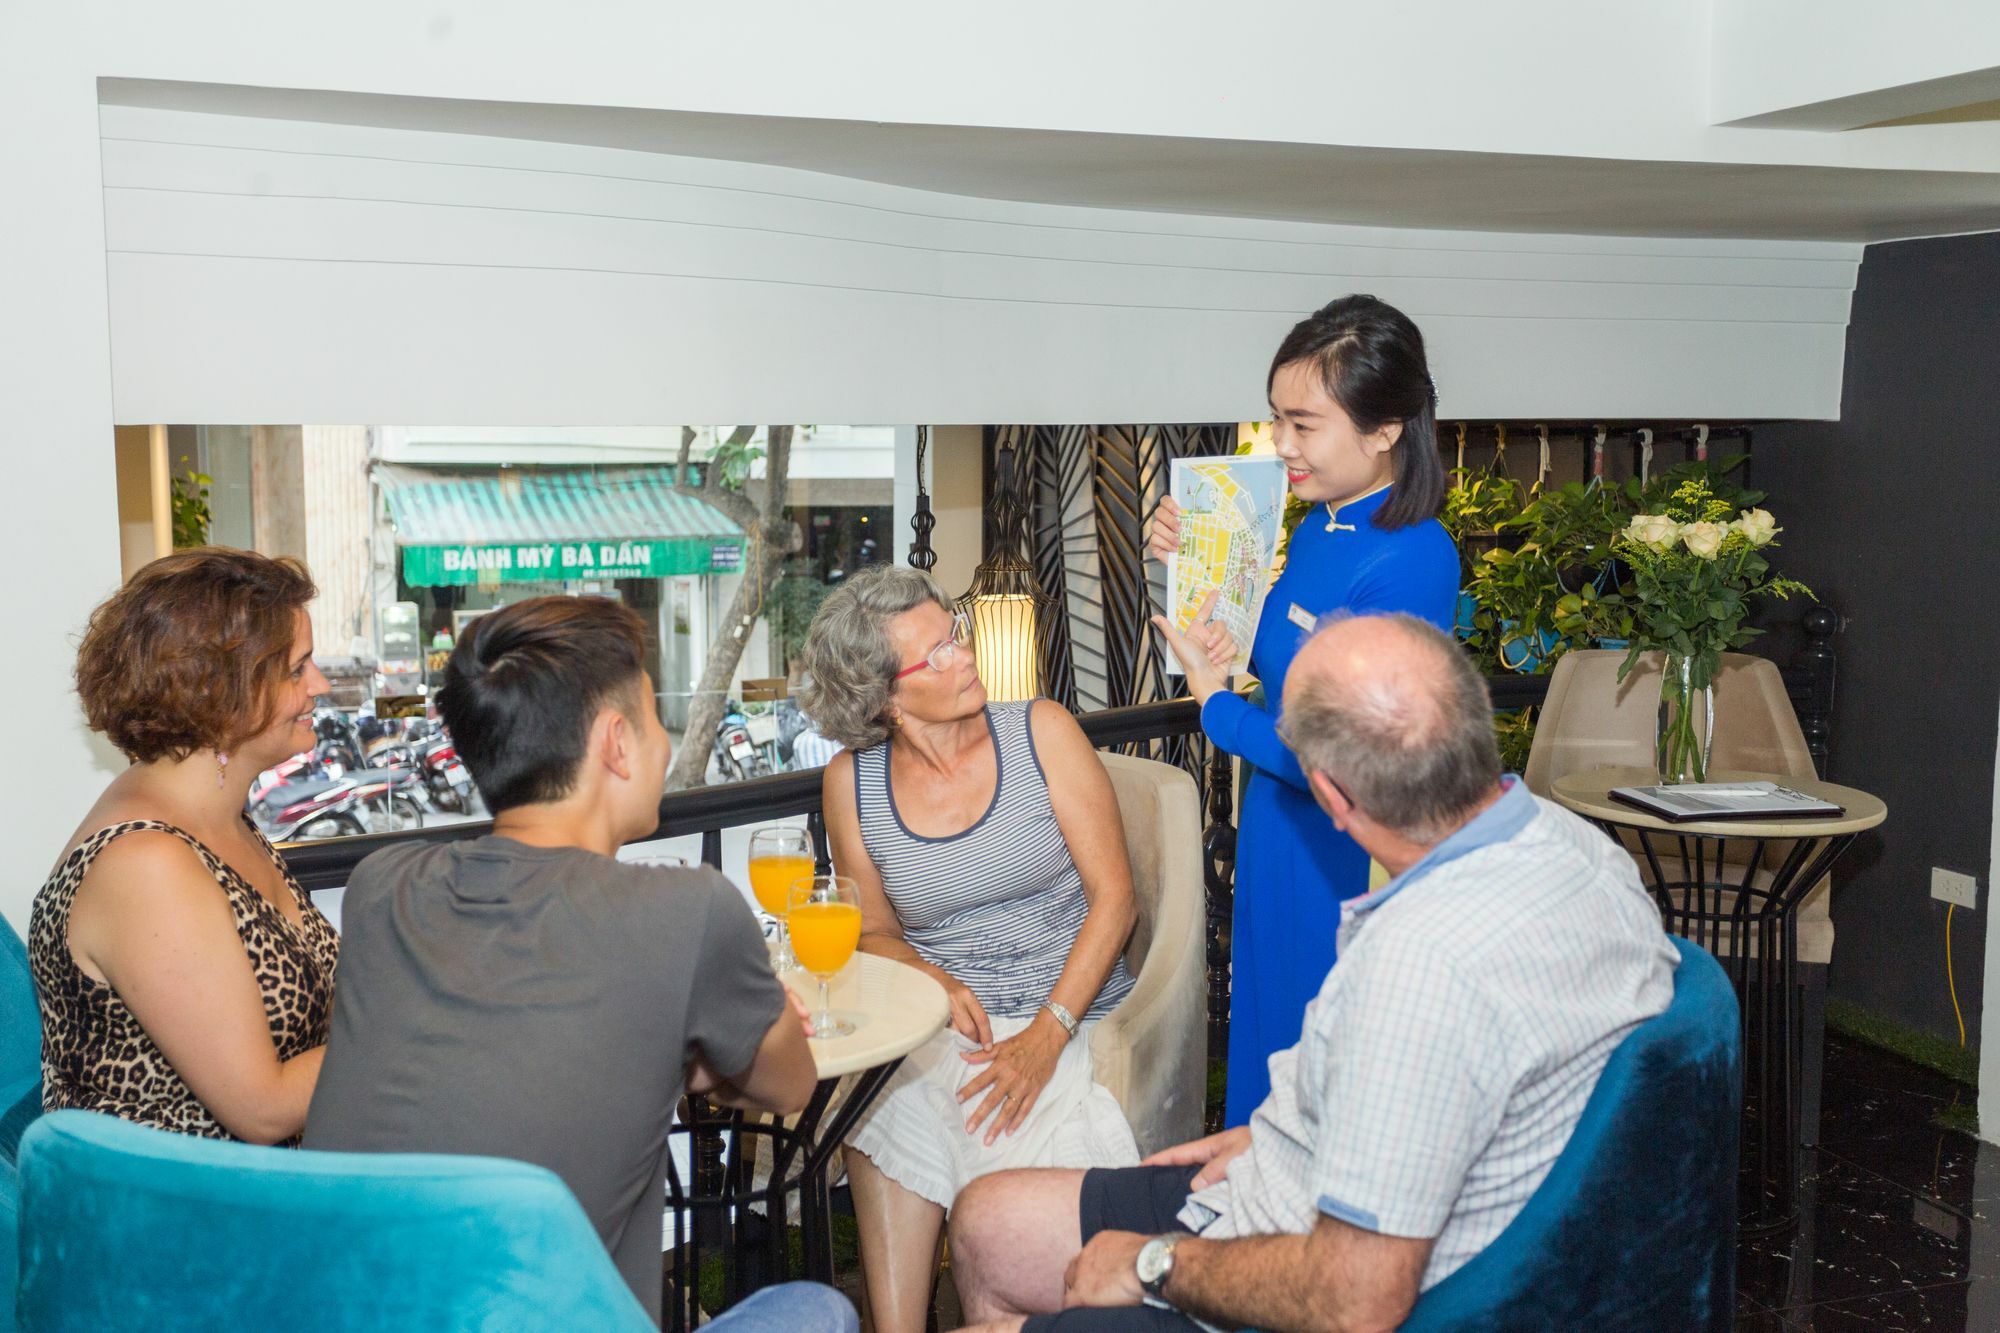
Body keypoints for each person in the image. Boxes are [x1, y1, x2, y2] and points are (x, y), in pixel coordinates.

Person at [946, 613, 1679, 1332]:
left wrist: (1151, 1264)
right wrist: (1287, 1132)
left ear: (1330, 797)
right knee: (985, 1217)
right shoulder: (1582, 847)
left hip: (1307, 1278)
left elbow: (1352, 1301)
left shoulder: (1419, 964)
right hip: (1298, 1191)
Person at [303, 596, 853, 1332]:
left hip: (346, 1311)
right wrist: (694, 1046)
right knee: (819, 1308)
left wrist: (658, 1043)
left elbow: (487, 1040)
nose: (666, 746)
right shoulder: (689, 911)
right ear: (616, 743)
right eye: (657, 720)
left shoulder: (381, 887)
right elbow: (788, 1085)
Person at [798, 566, 1141, 1333]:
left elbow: (1116, 898)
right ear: (883, 695)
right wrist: (929, 974)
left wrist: (1047, 1033)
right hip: (947, 1020)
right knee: (884, 1099)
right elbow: (876, 928)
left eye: (954, 634)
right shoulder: (850, 783)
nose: (964, 654)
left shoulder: (1040, 729)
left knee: (1003, 1149)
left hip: (1069, 1009)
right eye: (937, 654)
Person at [1150, 294, 1461, 1125]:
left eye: (1303, 424)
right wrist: (1196, 566)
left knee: (1320, 1083)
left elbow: (1351, 763)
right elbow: (1276, 658)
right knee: (1267, 1056)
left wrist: (1215, 709)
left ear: (1386, 426)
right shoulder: (1323, 527)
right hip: (1279, 836)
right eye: (1276, 420)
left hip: (1343, 856)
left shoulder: (1414, 560)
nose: (1281, 445)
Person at [30, 548, 340, 1144]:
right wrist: (416, 1027)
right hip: (177, 1214)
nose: (318, 685)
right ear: (221, 695)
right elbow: (263, 1110)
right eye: (296, 669)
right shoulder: (146, 866)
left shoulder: (216, 820)